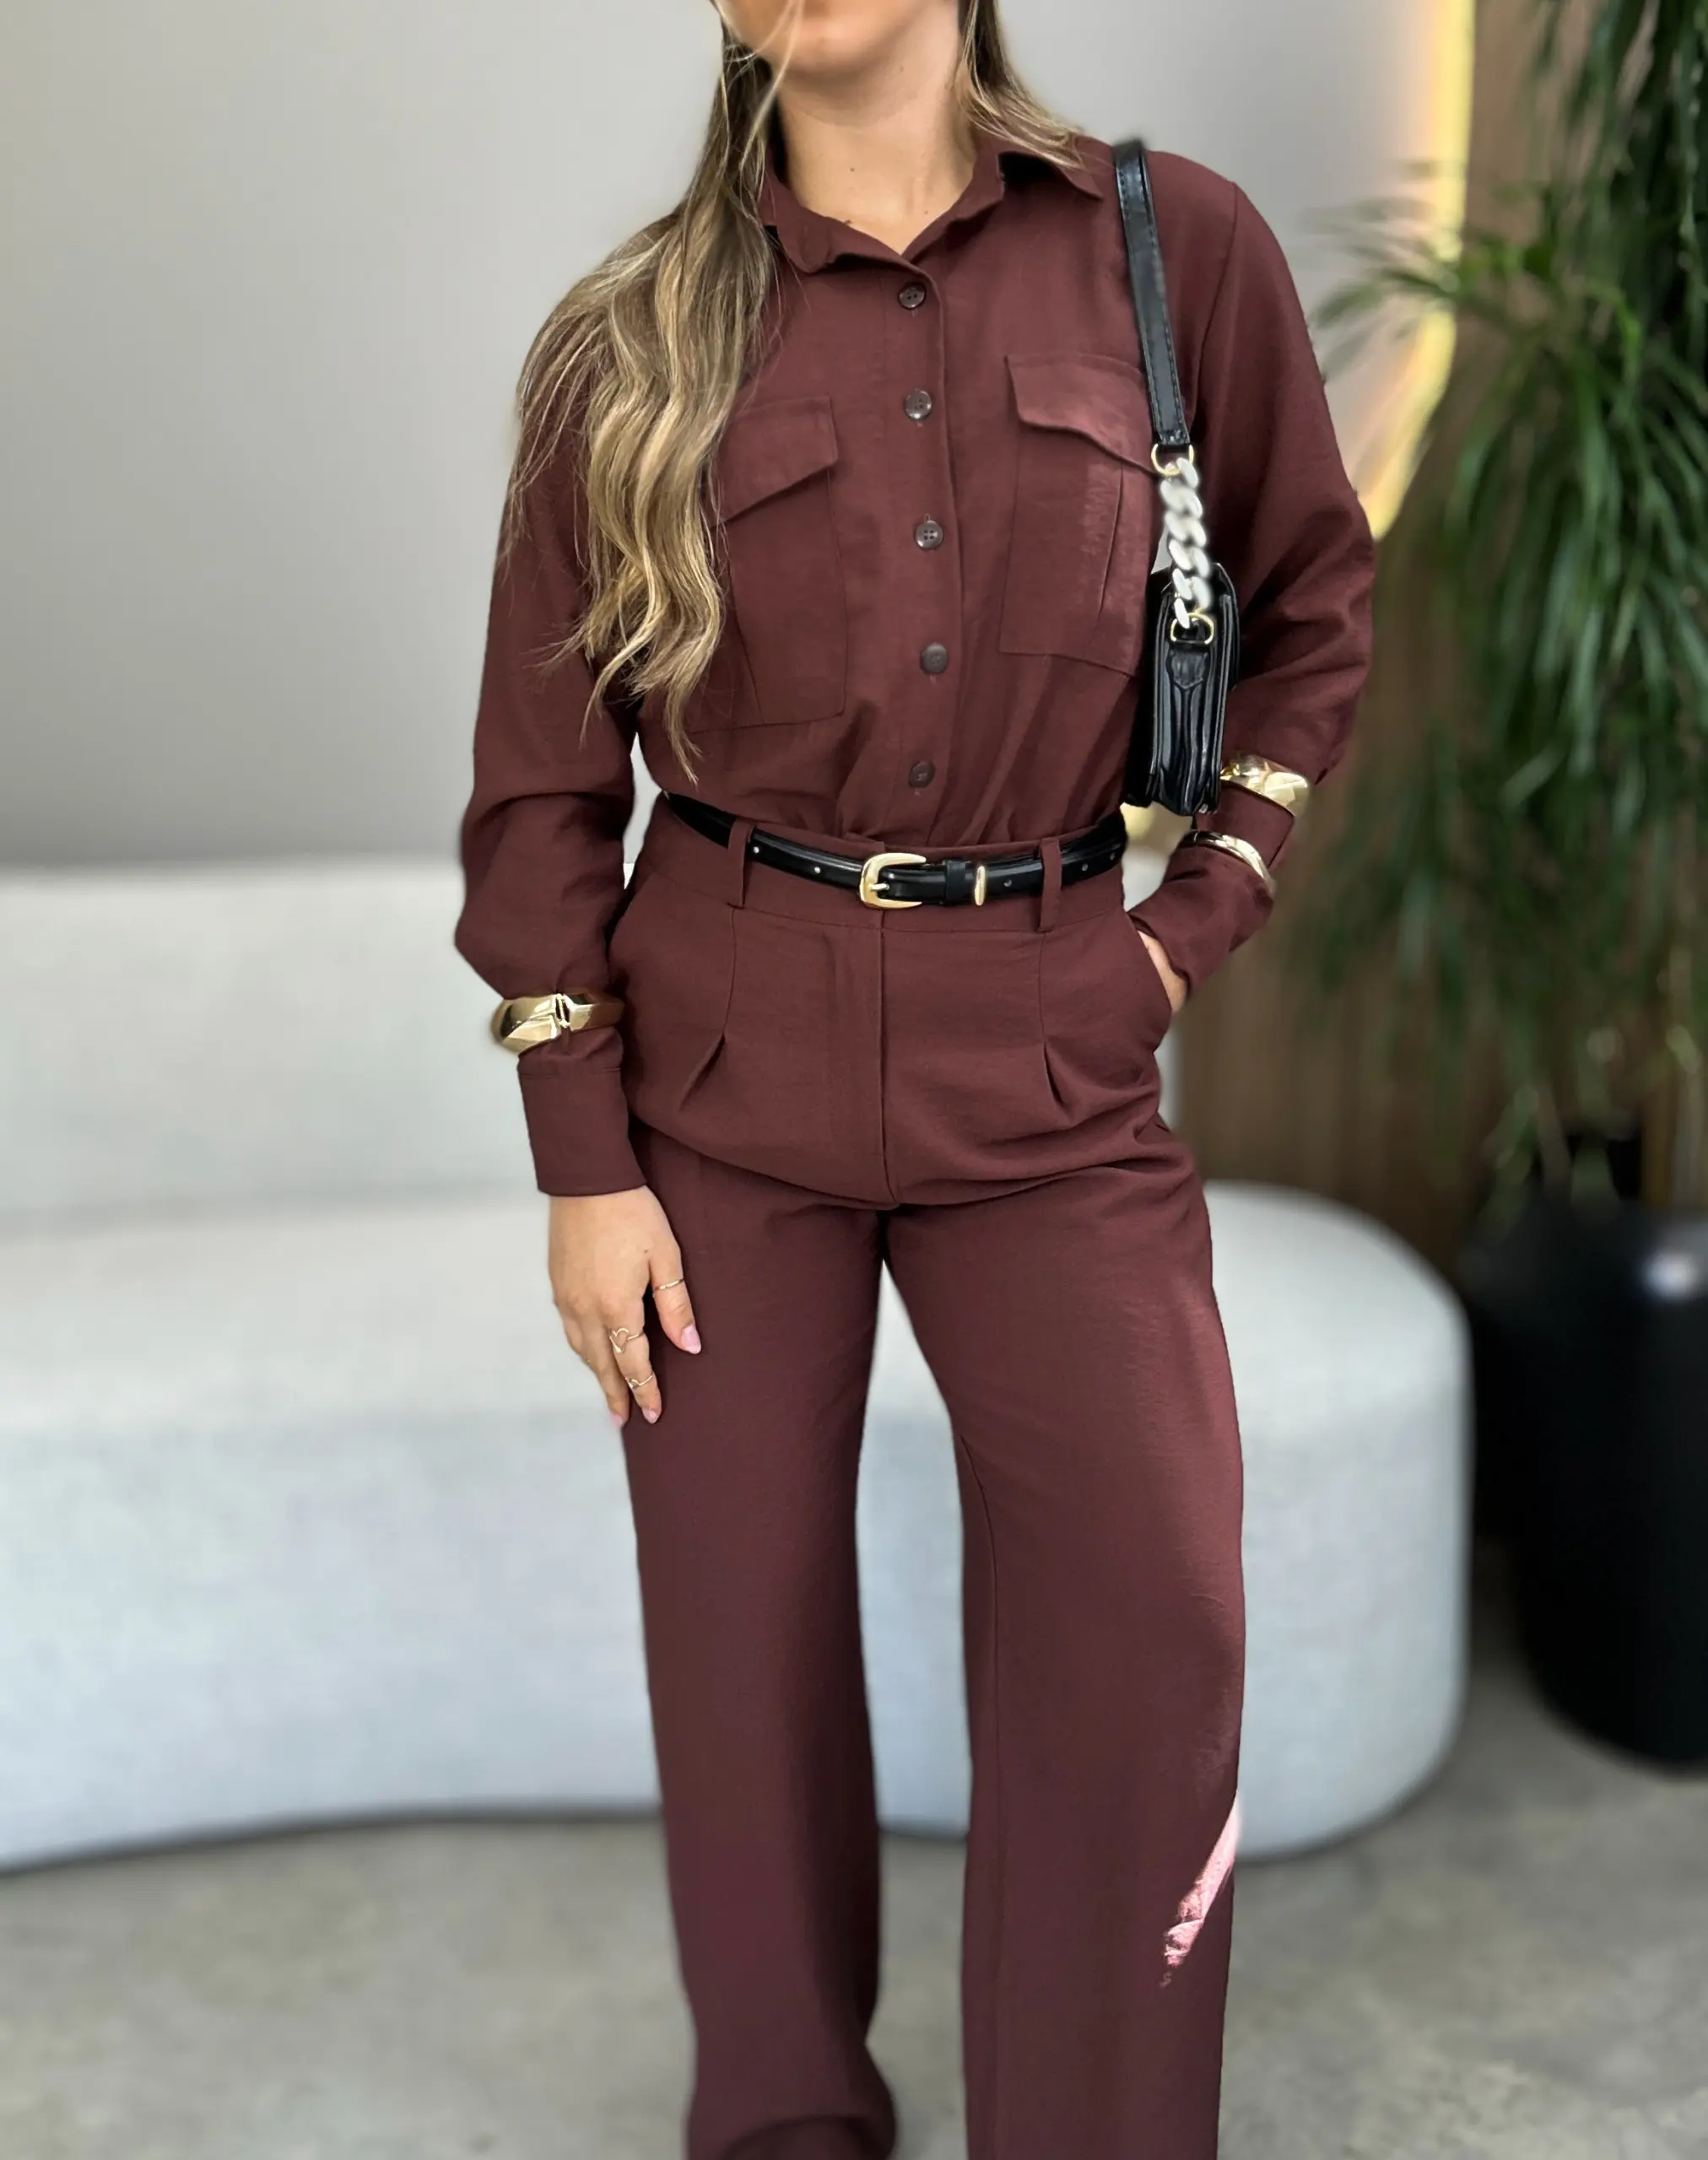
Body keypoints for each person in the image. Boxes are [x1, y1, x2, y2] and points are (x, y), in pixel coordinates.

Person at [454, 1, 1375, 2152]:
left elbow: (1313, 600)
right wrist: (580, 1159)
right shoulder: (624, 340)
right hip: (715, 1064)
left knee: (1147, 1619)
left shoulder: (1171, 250)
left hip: (1048, 1029)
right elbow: (539, 789)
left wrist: (1188, 924)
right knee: (740, 1643)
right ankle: (786, 2121)